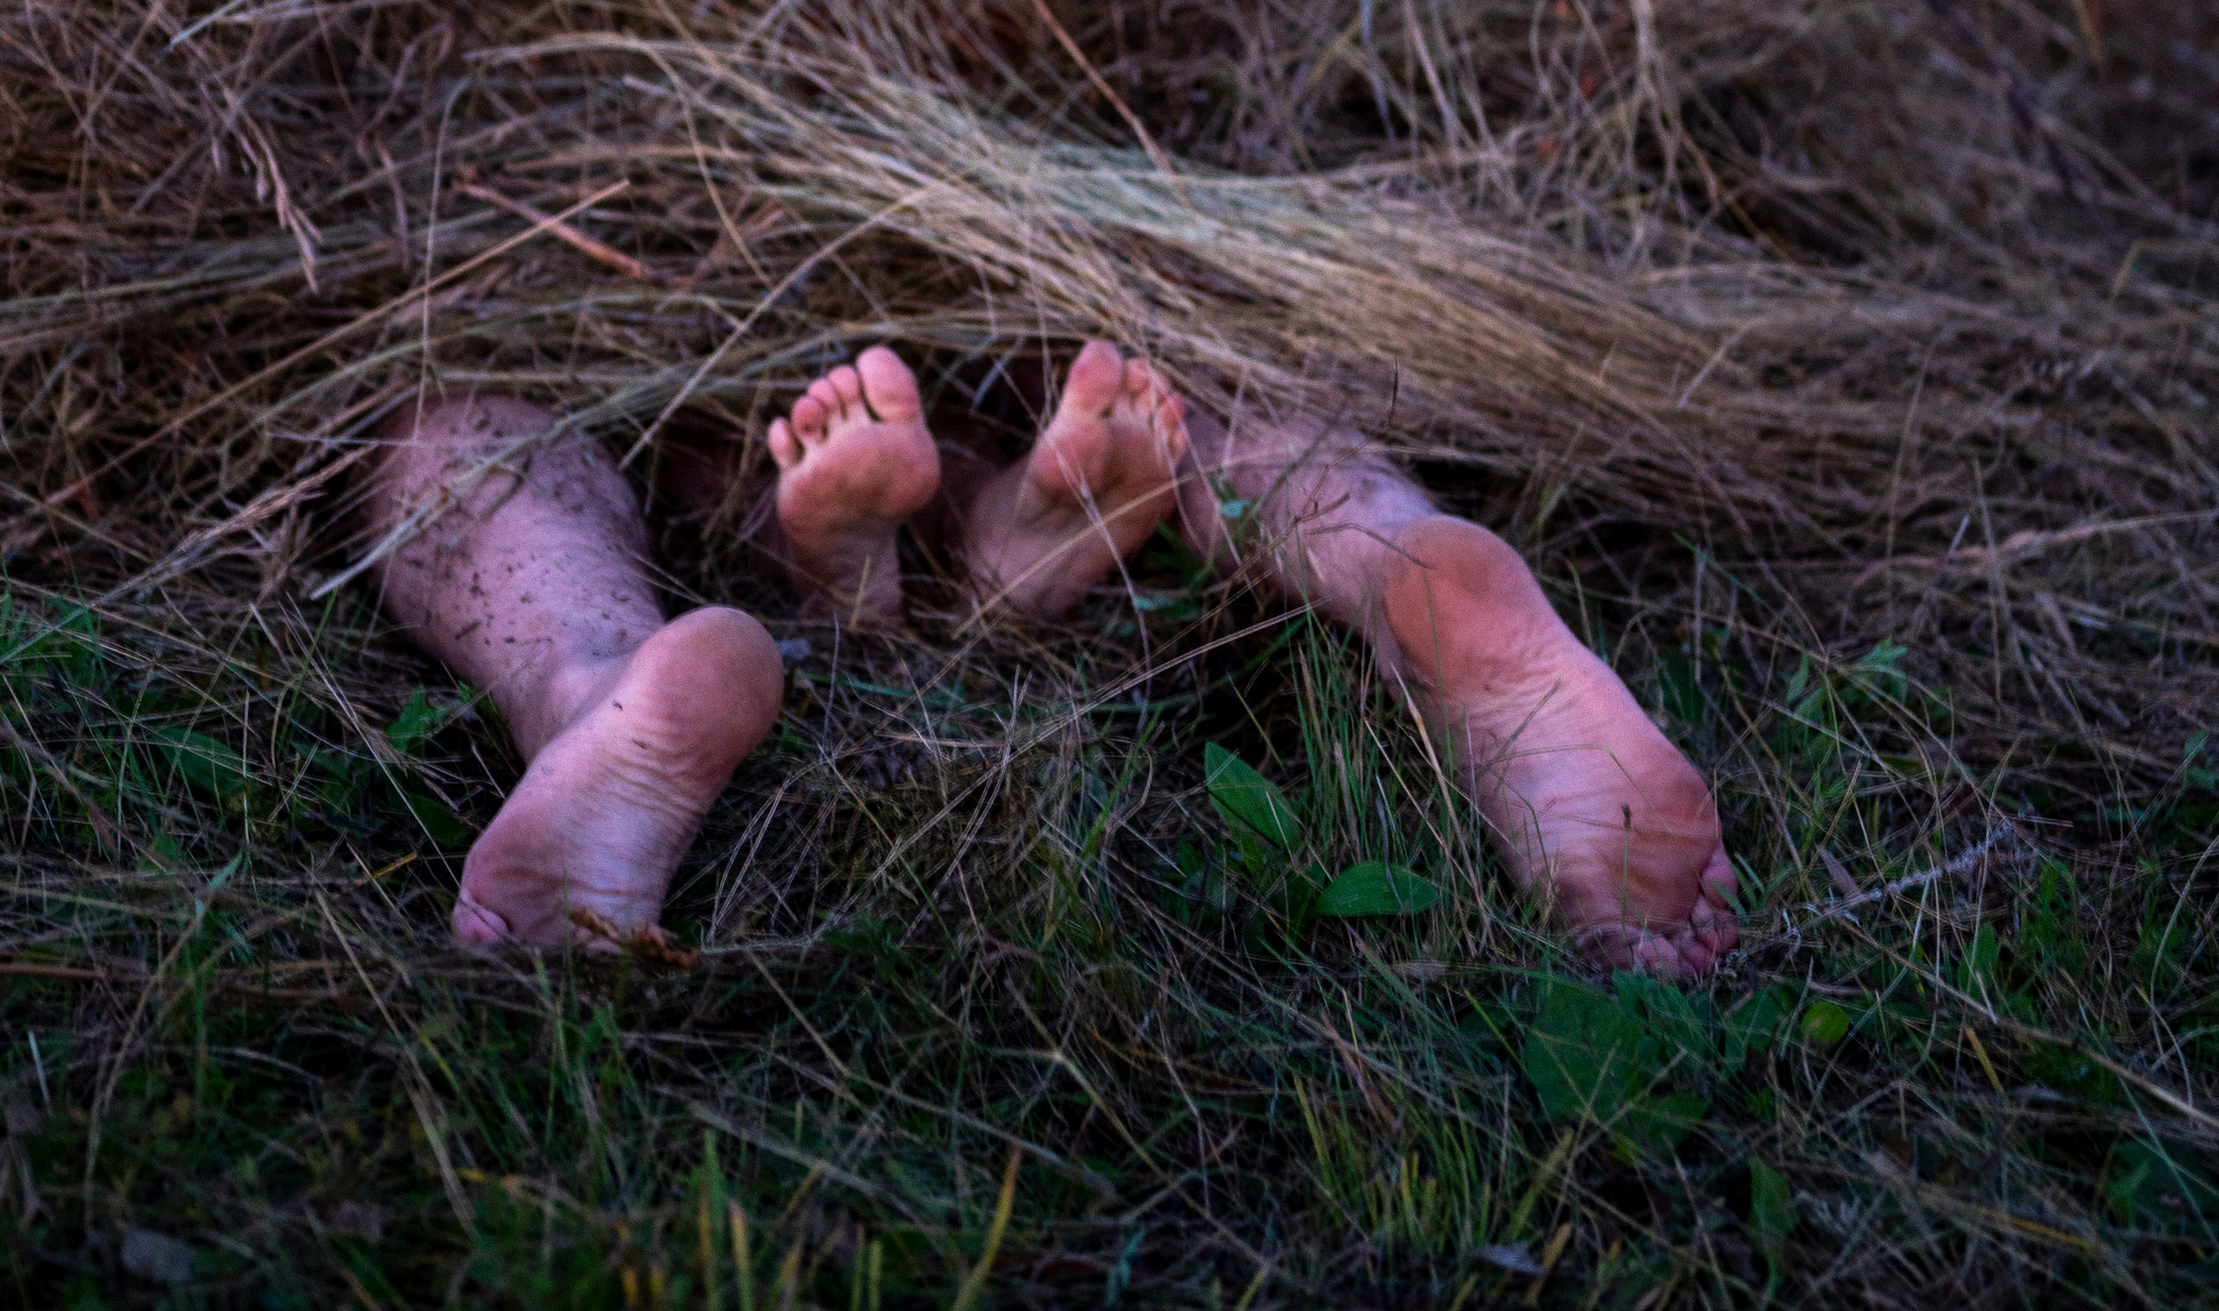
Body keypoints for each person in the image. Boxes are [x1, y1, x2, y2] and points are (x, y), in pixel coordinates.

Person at [370, 342, 1733, 980]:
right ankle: (1388, 555)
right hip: (1047, 166)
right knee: (1222, 388)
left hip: (672, 265)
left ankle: (596, 681)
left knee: (470, 426)